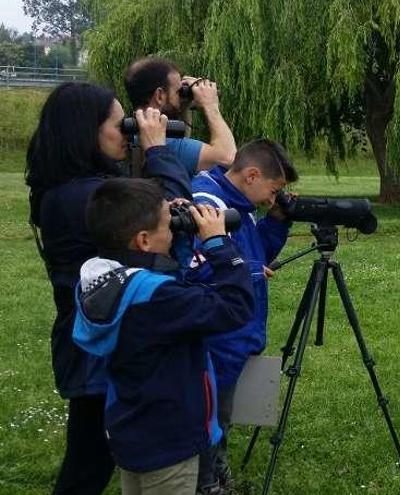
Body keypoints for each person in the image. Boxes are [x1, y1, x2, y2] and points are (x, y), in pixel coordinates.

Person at [25, 82, 192, 495]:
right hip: (98, 349)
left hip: (90, 334)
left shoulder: (70, 189)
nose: (128, 132)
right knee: (88, 464)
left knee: (94, 455)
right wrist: (157, 151)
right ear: (86, 131)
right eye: (121, 125)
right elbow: (173, 217)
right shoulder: (86, 196)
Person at [72, 178, 254, 494]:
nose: (173, 230)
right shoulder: (158, 298)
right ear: (143, 240)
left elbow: (166, 281)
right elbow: (235, 307)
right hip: (170, 440)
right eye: (168, 226)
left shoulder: (106, 280)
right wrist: (217, 244)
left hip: (133, 430)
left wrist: (178, 237)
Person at [191, 138, 298, 494]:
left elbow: (259, 253)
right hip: (218, 337)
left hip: (239, 331)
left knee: (222, 414)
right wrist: (249, 268)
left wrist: (277, 221)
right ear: (252, 175)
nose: (273, 197)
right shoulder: (207, 204)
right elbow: (196, 267)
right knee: (210, 415)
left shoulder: (242, 203)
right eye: (274, 189)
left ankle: (216, 472)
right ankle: (206, 484)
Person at [124, 57, 236, 175]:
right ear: (159, 96)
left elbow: (183, 142)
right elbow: (229, 158)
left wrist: (184, 106)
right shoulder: (166, 144)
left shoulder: (133, 134)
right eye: (178, 92)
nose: (181, 97)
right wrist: (210, 105)